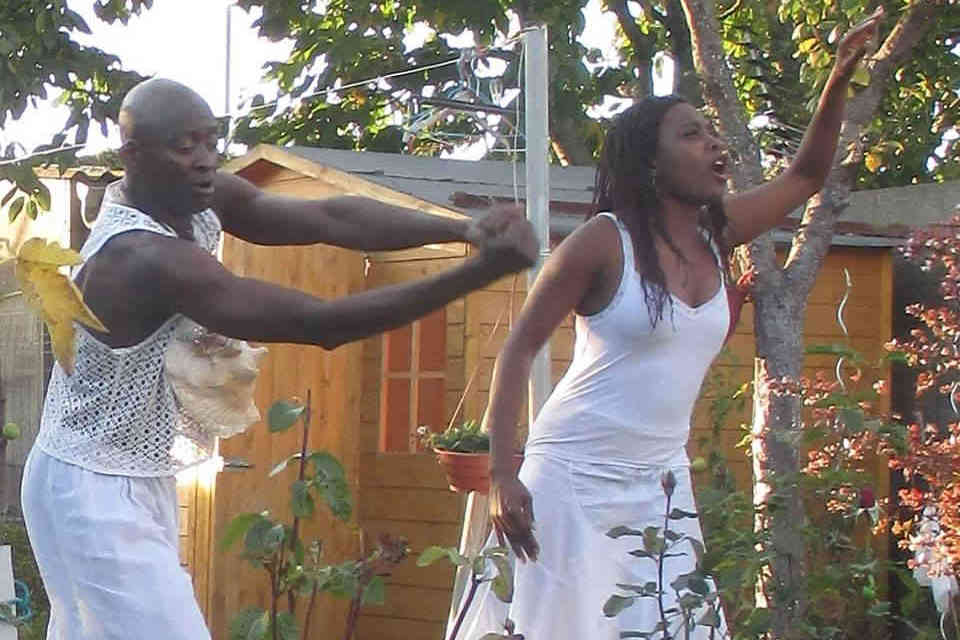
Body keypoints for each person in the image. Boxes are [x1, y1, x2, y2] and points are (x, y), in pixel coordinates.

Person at [19, 78, 537, 640]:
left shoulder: (198, 198)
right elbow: (320, 324)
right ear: (132, 156)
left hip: (128, 475)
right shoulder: (141, 259)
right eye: (183, 146)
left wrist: (463, 229)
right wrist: (478, 274)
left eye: (210, 142)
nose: (204, 161)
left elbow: (331, 220)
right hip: (90, 488)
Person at [459, 9, 884, 640]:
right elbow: (518, 349)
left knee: (677, 626)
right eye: (692, 135)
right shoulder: (602, 244)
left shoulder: (720, 235)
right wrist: (501, 474)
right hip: (571, 479)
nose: (715, 145)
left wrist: (840, 74)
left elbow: (805, 176)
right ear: (651, 163)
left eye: (713, 132)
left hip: (661, 482)